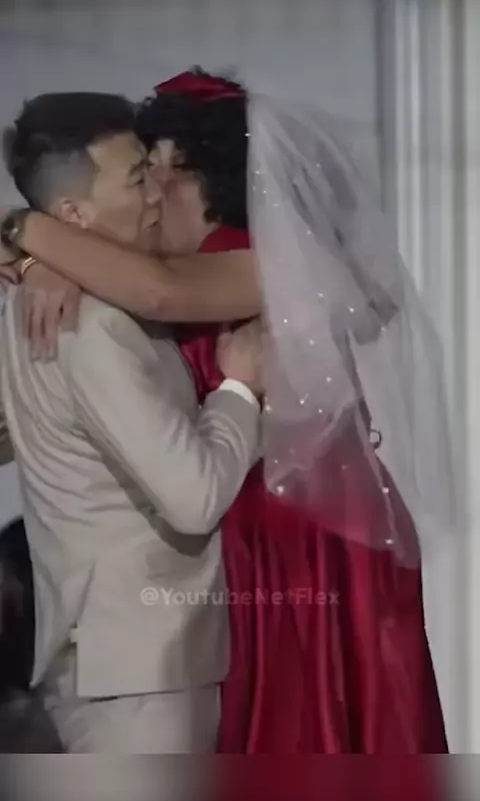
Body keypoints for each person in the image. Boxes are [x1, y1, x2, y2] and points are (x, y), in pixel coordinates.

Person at [0, 74, 452, 752]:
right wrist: (44, 258)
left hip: (298, 535)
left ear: (212, 177)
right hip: (235, 541)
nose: (154, 190)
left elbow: (160, 292)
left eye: (164, 168)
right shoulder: (123, 277)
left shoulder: (254, 263)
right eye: (143, 173)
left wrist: (28, 231)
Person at [0, 91, 264, 753]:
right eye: (138, 178)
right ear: (73, 216)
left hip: (119, 660)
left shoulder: (48, 299)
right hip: (140, 665)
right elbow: (194, 497)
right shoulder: (94, 323)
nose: (155, 194)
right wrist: (239, 386)